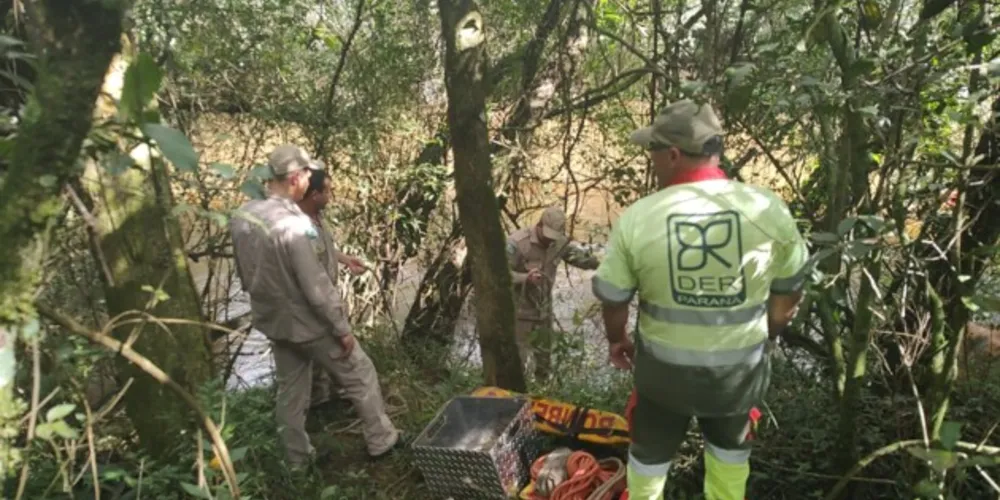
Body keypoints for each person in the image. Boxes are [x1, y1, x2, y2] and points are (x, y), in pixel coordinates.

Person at [591, 100, 809, 500]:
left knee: (647, 464)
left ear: (673, 154)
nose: (651, 160)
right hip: (738, 377)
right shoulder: (766, 208)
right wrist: (772, 330)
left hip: (663, 379)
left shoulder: (641, 217)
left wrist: (616, 339)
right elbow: (790, 287)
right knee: (729, 462)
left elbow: (614, 296)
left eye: (652, 151)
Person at [229, 144, 401, 468]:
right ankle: (382, 439)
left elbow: (245, 274)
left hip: (274, 321)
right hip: (308, 323)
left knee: (290, 390)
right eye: (307, 174)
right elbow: (316, 286)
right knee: (360, 372)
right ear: (295, 178)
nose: (311, 179)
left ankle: (296, 459)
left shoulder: (243, 216)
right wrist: (342, 329)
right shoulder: (292, 224)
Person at [295, 162, 367, 412]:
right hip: (314, 299)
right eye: (327, 191)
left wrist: (345, 259)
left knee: (337, 347)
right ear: (314, 194)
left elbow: (324, 248)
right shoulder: (298, 225)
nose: (330, 196)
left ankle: (337, 395)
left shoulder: (318, 219)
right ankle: (319, 405)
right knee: (327, 348)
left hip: (328, 293)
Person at [506, 206, 600, 379]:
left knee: (544, 364)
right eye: (547, 236)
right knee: (517, 365)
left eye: (554, 238)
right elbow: (500, 274)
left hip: (544, 313)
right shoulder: (517, 243)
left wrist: (606, 262)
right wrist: (525, 278)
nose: (550, 241)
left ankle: (542, 394)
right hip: (518, 315)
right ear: (539, 225)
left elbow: (580, 259)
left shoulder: (558, 243)